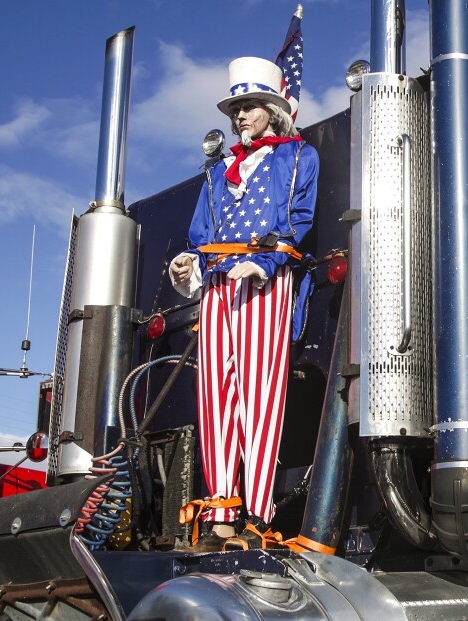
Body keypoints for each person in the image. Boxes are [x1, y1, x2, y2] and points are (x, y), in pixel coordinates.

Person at [171, 56, 319, 551]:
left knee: (260, 395)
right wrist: (188, 264)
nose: (240, 116)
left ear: (272, 111)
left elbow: (298, 220)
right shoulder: (217, 171)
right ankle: (220, 513)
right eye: (236, 108)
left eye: (249, 106)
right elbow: (201, 235)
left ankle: (257, 514)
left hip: (263, 280)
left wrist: (265, 263)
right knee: (215, 396)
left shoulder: (297, 157)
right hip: (217, 284)